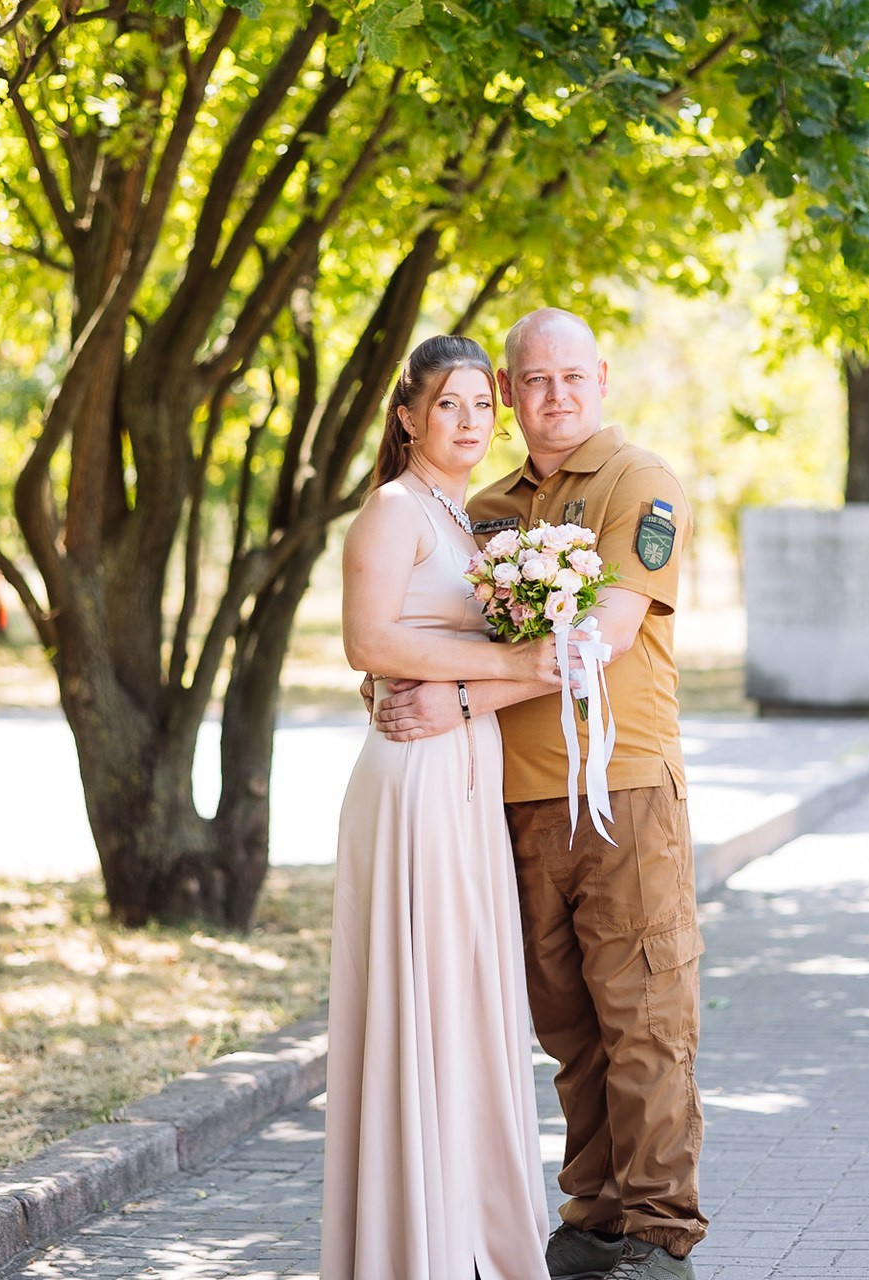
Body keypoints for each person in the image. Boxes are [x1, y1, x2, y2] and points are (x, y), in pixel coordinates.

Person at [375, 308, 707, 1280]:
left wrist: (463, 693)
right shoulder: (480, 505)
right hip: (511, 804)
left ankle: (655, 1234)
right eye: (533, 381)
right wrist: (396, 677)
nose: (552, 395)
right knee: (566, 1021)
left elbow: (600, 634)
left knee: (642, 1016)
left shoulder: (636, 483)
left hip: (621, 791)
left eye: (571, 377)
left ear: (600, 377)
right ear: (511, 394)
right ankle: (592, 1219)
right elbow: (429, 621)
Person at [320, 335, 565, 1280]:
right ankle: (409, 1242)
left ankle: (469, 1232)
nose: (469, 422)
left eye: (479, 405)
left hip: (467, 771)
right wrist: (512, 664)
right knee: (421, 998)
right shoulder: (392, 511)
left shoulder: (468, 523)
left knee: (468, 1000)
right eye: (449, 406)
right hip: (413, 778)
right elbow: (366, 640)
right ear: (408, 417)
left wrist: (504, 669)